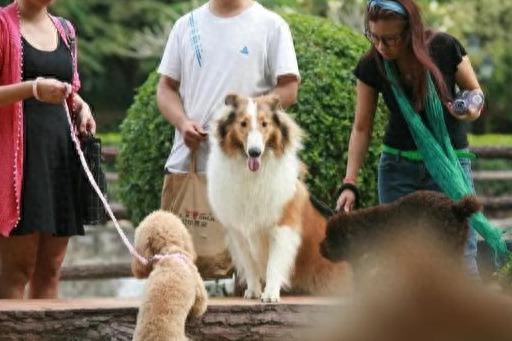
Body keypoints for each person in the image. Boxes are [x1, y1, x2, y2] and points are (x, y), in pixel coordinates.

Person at [335, 0, 484, 275]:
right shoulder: (371, 64)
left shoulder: (444, 48)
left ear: (411, 31)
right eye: (374, 37)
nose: (381, 47)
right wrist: (349, 183)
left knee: (460, 258)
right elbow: (361, 128)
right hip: (397, 171)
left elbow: (475, 92)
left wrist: (470, 110)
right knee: (399, 263)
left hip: (449, 166)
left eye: (390, 39)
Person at [0, 0, 96, 299]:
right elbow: (39, 88)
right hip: (19, 163)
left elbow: (70, 88)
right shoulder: (3, 25)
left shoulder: (65, 30)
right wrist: (33, 88)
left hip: (60, 157)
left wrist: (82, 105)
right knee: (17, 269)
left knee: (51, 268)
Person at [156, 0, 300, 183]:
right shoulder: (185, 25)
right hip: (189, 166)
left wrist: (246, 115)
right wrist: (183, 123)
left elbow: (289, 87)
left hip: (248, 171)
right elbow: (165, 87)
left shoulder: (272, 25)